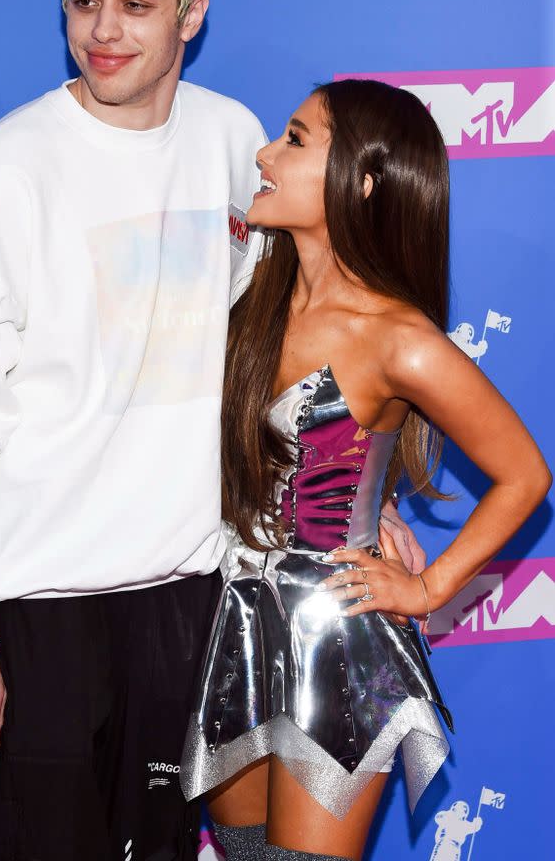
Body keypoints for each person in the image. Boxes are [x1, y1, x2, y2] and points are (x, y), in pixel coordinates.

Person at [0, 0, 422, 861]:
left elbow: (282, 342)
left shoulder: (235, 142)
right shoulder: (7, 167)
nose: (104, 30)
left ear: (191, 12)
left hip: (196, 598)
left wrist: (358, 485)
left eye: (136, 4)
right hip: (44, 608)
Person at [179, 79, 551, 861]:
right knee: (244, 854)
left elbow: (525, 473)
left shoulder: (397, 340)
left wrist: (427, 589)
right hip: (235, 622)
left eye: (294, 139)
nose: (263, 154)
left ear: (362, 178)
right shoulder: (254, 289)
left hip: (339, 643)